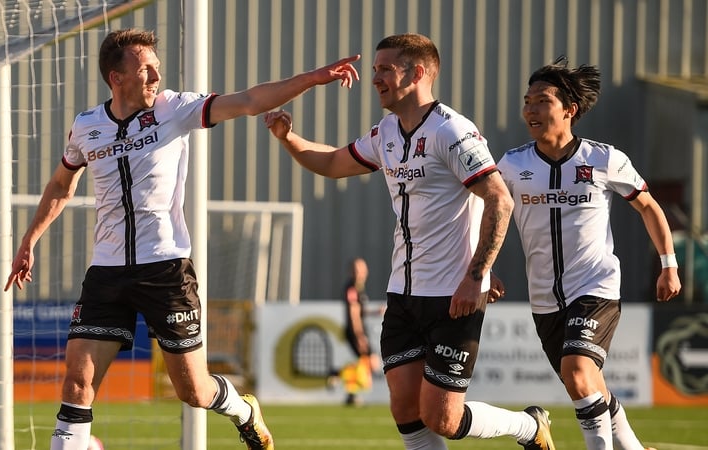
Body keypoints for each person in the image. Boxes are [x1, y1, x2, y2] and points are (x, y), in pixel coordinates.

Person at [3, 28, 360, 450]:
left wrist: (312, 78)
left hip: (166, 270)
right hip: (106, 272)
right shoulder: (86, 127)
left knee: (194, 392)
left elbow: (248, 101)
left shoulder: (177, 109)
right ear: (116, 78)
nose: (156, 76)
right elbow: (63, 185)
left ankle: (245, 411)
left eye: (157, 67)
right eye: (145, 69)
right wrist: (29, 240)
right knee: (77, 383)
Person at [265, 33, 555, 450]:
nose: (375, 79)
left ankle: (529, 428)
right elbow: (331, 163)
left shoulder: (451, 130)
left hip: (452, 296)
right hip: (402, 293)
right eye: (375, 70)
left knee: (442, 417)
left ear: (417, 72)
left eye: (385, 69)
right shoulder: (387, 131)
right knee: (405, 409)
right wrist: (288, 138)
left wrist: (477, 276)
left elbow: (499, 199)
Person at [495, 56, 681, 450]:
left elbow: (648, 206)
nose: (530, 109)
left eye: (542, 100)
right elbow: (486, 213)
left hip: (595, 286)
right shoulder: (512, 164)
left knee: (578, 373)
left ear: (569, 110)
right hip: (544, 298)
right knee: (586, 383)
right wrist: (481, 269)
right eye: (527, 101)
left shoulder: (603, 158)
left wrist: (669, 265)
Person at [340, 257, 373, 406]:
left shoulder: (359, 288)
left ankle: (351, 395)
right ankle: (336, 375)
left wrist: (374, 312)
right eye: (356, 269)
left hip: (359, 331)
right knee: (369, 363)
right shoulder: (352, 288)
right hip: (356, 332)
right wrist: (359, 336)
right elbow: (354, 313)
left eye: (362, 269)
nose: (360, 272)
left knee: (364, 365)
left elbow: (361, 311)